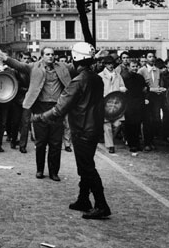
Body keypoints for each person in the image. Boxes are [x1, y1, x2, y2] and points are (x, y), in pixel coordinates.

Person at [33, 42, 111, 220]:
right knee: (85, 165)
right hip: (93, 127)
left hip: (82, 128)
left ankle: (101, 204)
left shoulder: (77, 82)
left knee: (87, 168)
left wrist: (39, 118)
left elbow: (59, 109)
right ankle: (83, 199)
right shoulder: (96, 78)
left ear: (76, 59)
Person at [0, 47, 71, 180]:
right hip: (40, 107)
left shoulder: (63, 67)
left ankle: (54, 172)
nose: (50, 57)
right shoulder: (34, 67)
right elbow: (19, 65)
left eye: (52, 55)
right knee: (41, 142)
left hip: (57, 108)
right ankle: (40, 170)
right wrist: (5, 58)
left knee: (56, 143)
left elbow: (77, 66)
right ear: (42, 56)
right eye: (47, 54)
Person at [98, 56, 127, 154]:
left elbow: (122, 86)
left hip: (116, 102)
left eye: (112, 64)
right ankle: (110, 145)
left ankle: (110, 140)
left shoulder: (118, 75)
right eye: (108, 64)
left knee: (117, 124)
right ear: (105, 64)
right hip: (105, 102)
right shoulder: (100, 76)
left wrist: (123, 89)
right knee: (107, 125)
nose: (111, 65)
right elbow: (98, 90)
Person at [138, 52, 165, 151]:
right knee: (147, 120)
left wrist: (161, 89)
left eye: (153, 57)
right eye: (149, 57)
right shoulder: (141, 71)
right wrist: (150, 90)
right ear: (146, 59)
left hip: (156, 97)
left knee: (156, 119)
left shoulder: (158, 70)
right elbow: (140, 86)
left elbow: (160, 82)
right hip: (147, 97)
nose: (152, 59)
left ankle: (152, 139)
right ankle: (147, 142)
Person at [123, 60, 148, 153]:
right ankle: (132, 144)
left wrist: (145, 90)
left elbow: (144, 88)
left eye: (136, 66)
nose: (135, 68)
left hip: (139, 103)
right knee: (130, 125)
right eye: (133, 66)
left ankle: (137, 143)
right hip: (129, 104)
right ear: (129, 67)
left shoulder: (140, 77)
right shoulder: (125, 78)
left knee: (137, 124)